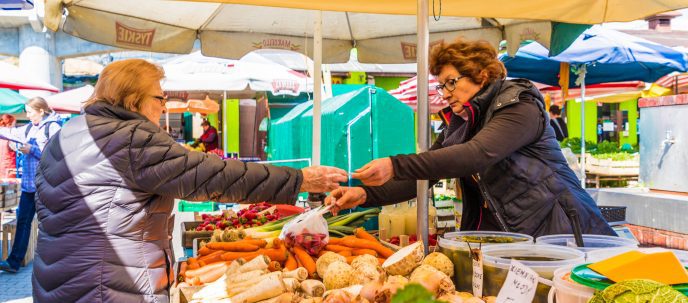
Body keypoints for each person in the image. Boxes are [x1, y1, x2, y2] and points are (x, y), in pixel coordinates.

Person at [29, 59, 347, 303]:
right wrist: (299, 179)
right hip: (109, 286)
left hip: (58, 280)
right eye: (159, 98)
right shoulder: (130, 137)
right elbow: (208, 175)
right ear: (131, 99)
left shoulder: (66, 134)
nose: (163, 106)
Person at [326, 38, 614, 237]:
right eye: (441, 86)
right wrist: (365, 194)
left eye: (451, 82)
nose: (446, 92)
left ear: (482, 74)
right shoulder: (459, 124)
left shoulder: (519, 105)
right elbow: (426, 175)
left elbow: (476, 154)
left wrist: (395, 164)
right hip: (505, 238)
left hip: (559, 230)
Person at [0, 98, 62, 273]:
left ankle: (54, 264)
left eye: (30, 112)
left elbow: (56, 155)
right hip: (29, 186)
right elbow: (10, 133)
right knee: (23, 223)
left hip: (46, 185)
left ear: (41, 111)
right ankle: (14, 263)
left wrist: (32, 150)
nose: (27, 115)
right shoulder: (28, 128)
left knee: (49, 225)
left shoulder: (54, 128)